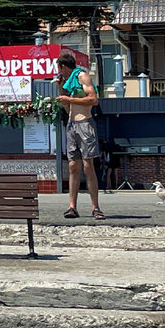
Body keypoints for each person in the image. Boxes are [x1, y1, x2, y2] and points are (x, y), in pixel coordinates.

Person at [57, 52, 104, 220]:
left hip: (85, 123)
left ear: (63, 67)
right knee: (72, 166)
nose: (60, 73)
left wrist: (69, 99)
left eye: (60, 69)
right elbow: (67, 108)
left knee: (87, 165)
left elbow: (93, 99)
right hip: (72, 124)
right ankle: (72, 207)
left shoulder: (82, 76)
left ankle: (95, 207)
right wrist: (60, 89)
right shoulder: (68, 84)